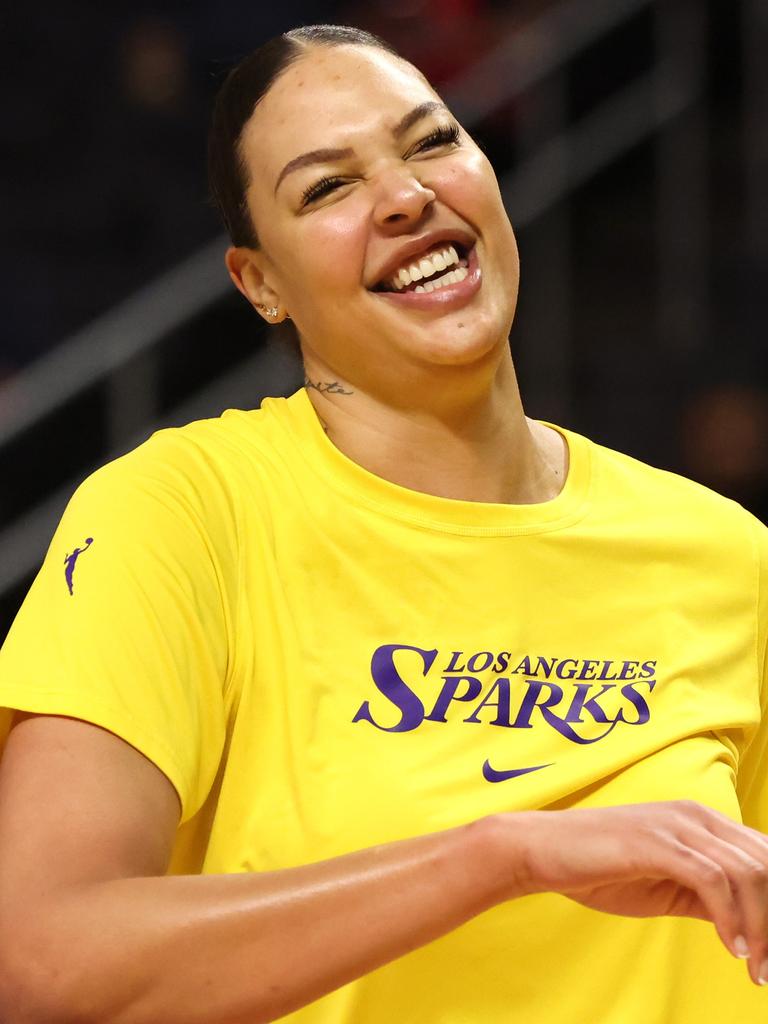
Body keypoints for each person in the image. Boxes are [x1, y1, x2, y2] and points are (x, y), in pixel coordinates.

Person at [0, 23, 767, 1024]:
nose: (406, 196)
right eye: (326, 189)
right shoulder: (184, 514)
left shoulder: (725, 553)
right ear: (259, 282)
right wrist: (503, 854)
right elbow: (43, 961)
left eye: (431, 142)